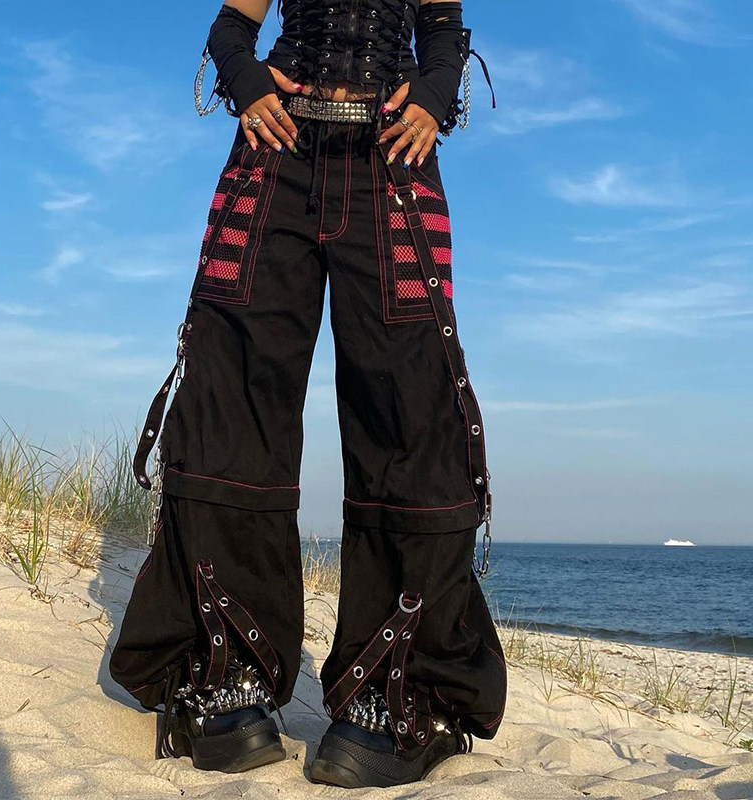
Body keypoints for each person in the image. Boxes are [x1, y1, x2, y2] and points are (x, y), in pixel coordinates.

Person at [109, 0, 507, 789]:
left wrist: (433, 97)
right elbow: (231, 26)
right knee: (234, 389)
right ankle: (229, 673)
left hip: (392, 161)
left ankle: (398, 695)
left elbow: (444, 34)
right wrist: (247, 80)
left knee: (409, 403)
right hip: (274, 160)